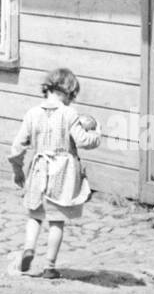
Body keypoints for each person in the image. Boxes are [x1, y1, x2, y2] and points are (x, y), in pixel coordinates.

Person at [8, 68, 100, 279]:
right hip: (63, 173)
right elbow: (83, 141)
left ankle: (29, 247)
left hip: (39, 169)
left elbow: (17, 147)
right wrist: (96, 134)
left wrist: (17, 170)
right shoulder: (70, 113)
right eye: (72, 95)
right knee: (56, 220)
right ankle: (50, 266)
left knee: (35, 215)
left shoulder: (32, 113)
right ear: (67, 92)